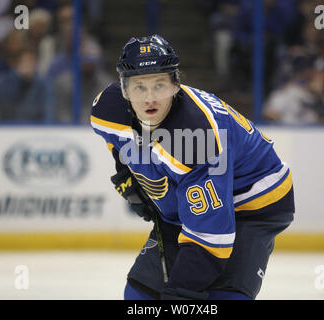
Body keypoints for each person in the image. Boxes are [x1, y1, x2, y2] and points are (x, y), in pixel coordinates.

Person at [90, 35, 295, 300]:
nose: (150, 98)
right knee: (138, 296)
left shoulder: (198, 139)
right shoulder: (107, 109)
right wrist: (127, 177)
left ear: (177, 85)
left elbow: (211, 238)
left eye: (160, 84)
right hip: (196, 194)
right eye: (139, 87)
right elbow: (120, 143)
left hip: (253, 201)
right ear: (124, 90)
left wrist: (180, 293)